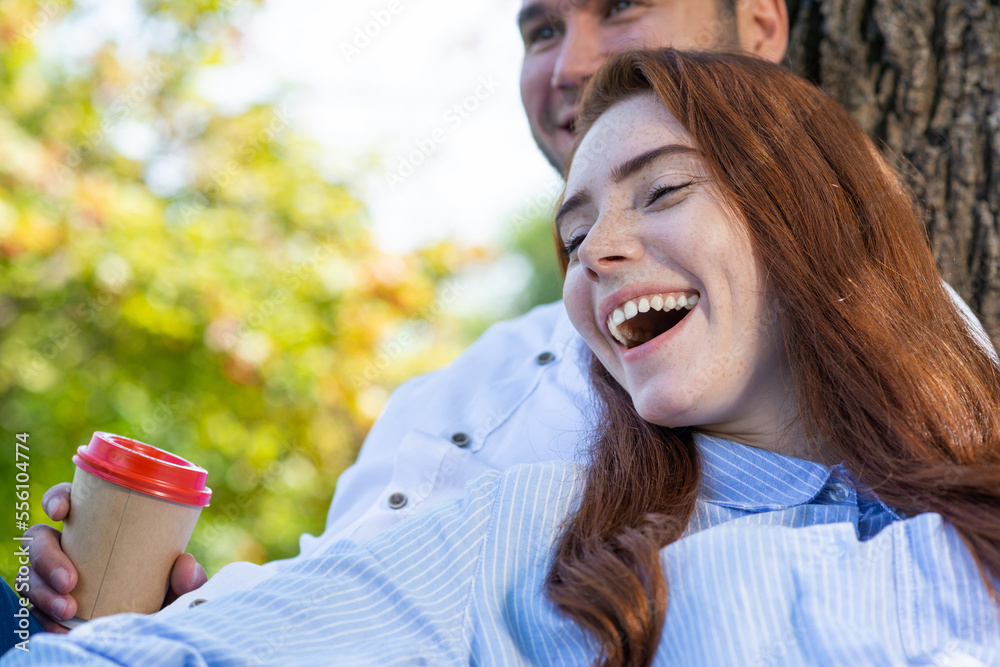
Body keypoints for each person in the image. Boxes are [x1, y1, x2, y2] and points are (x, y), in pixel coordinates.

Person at [21, 0, 993, 635]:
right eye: (539, 32)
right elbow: (345, 601)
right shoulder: (456, 396)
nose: (570, 65)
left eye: (618, 10)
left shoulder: (880, 368)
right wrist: (151, 618)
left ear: (760, 27)